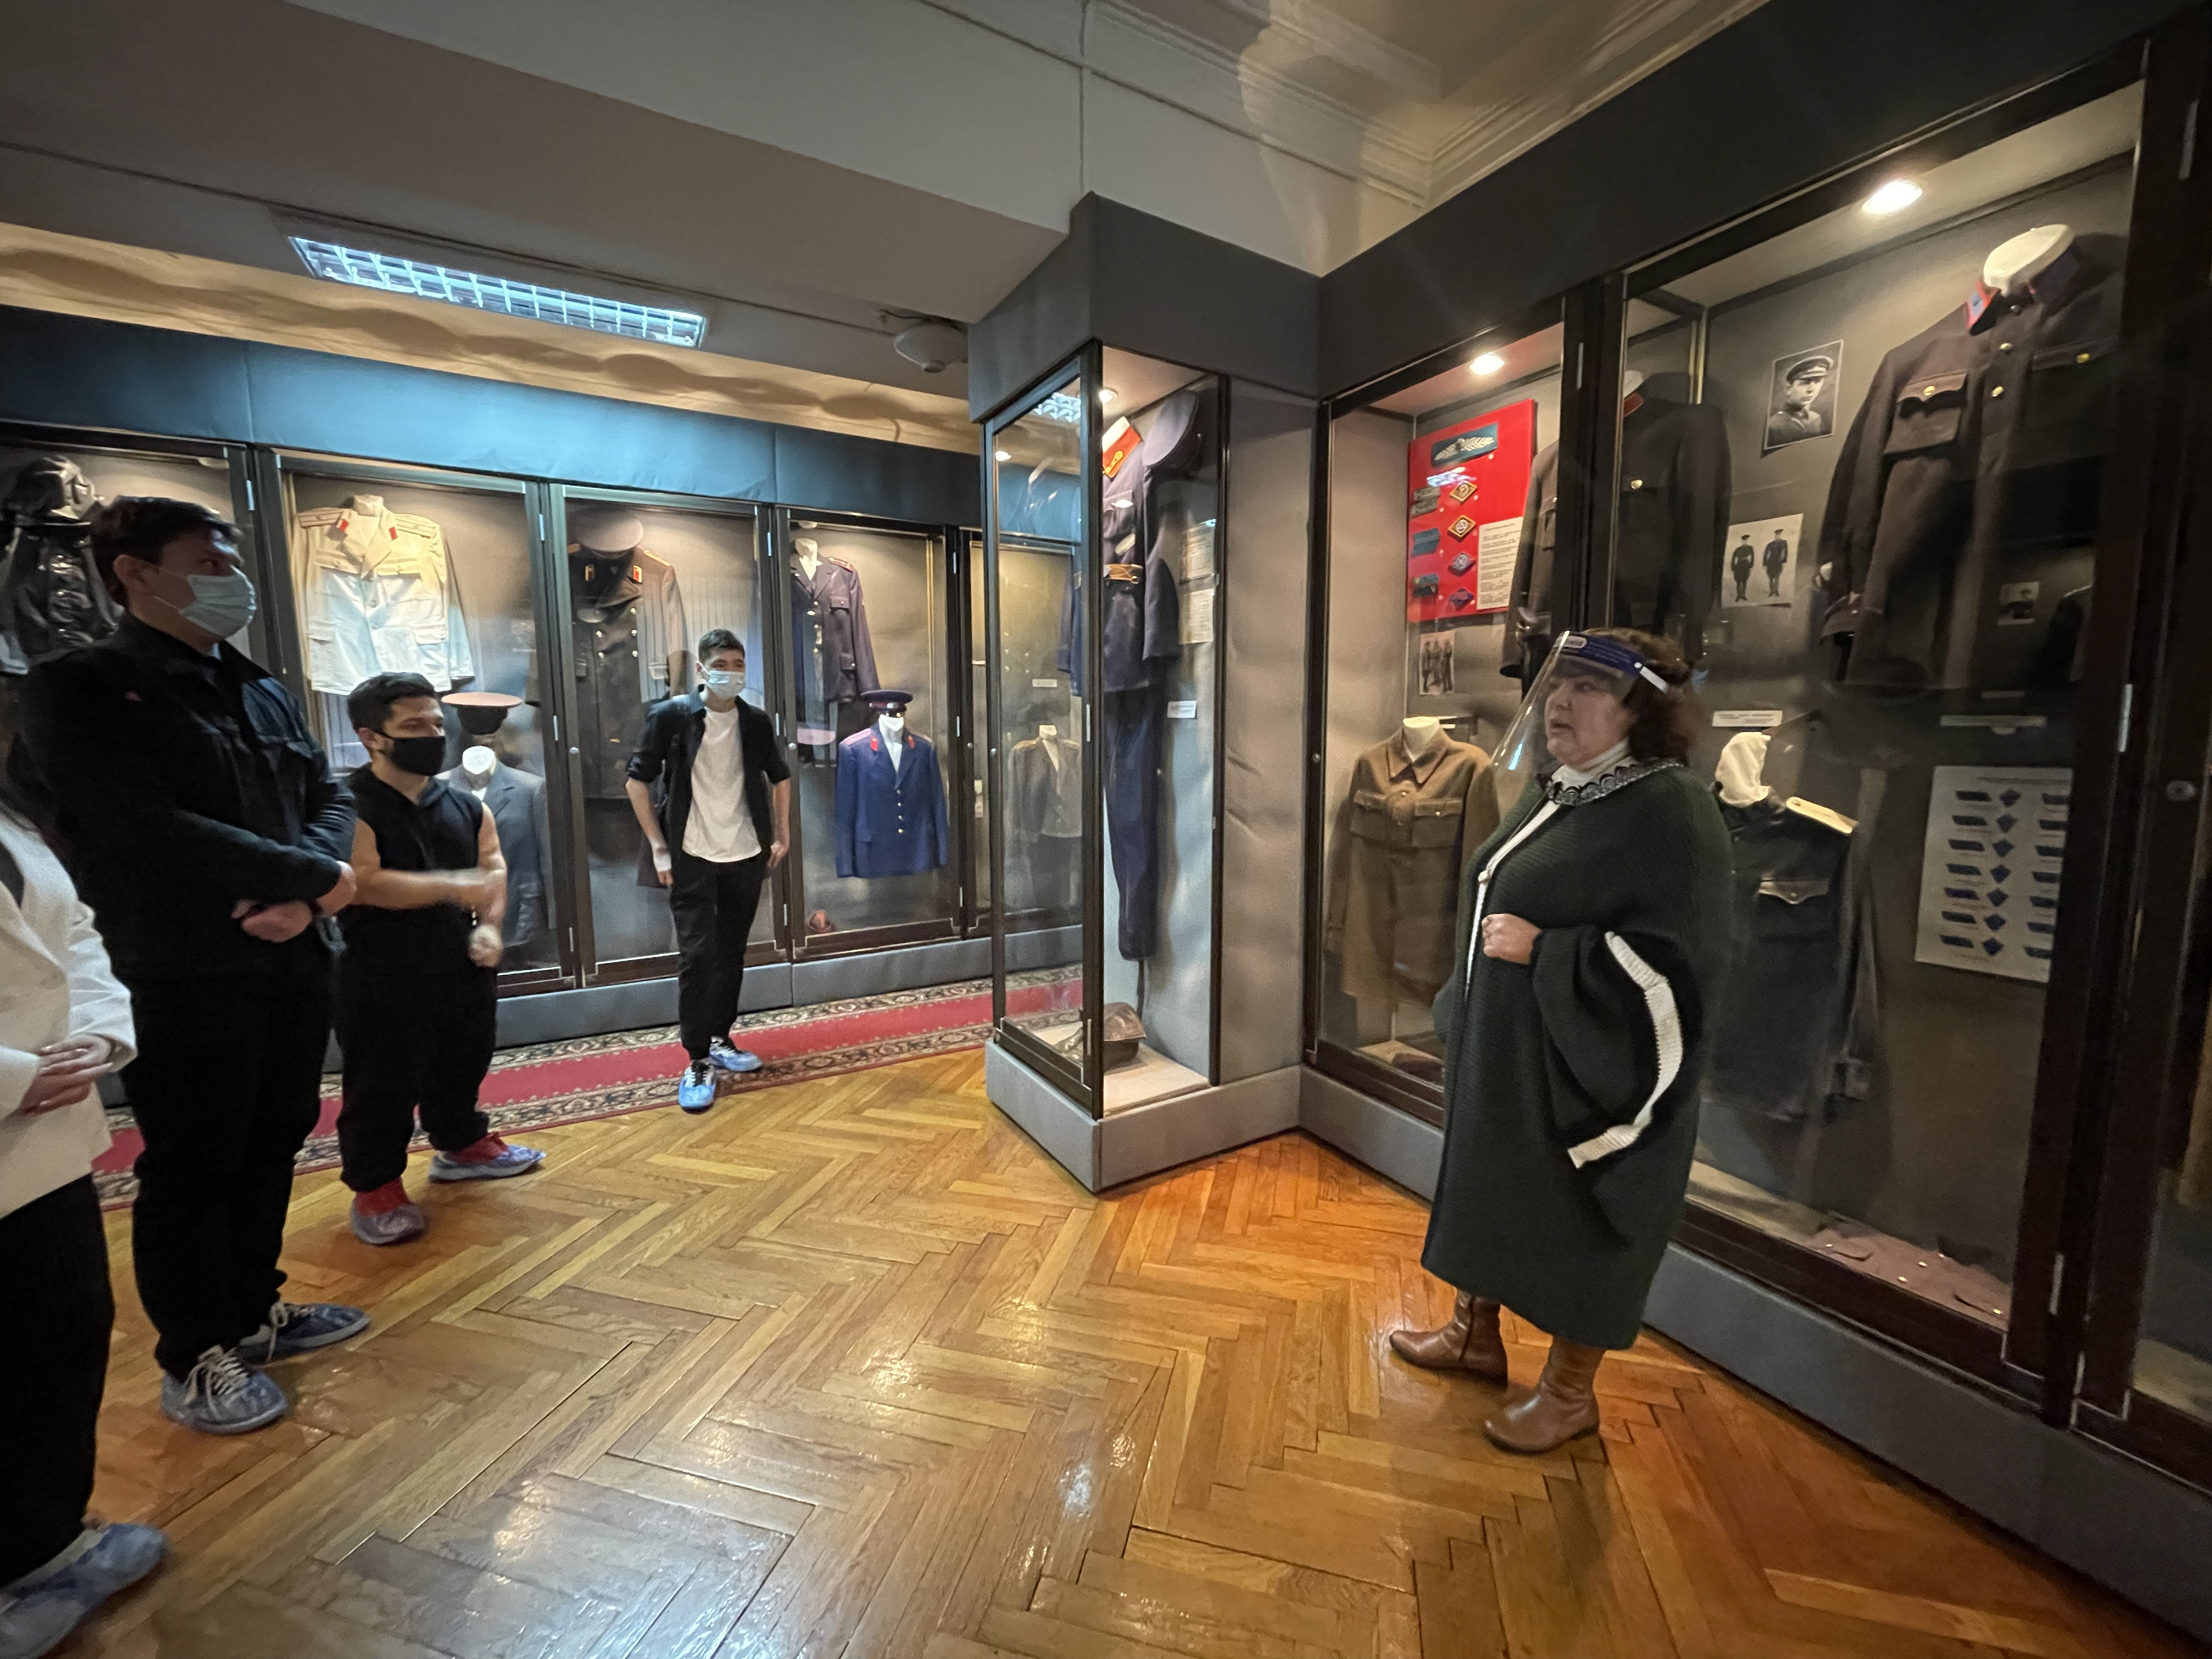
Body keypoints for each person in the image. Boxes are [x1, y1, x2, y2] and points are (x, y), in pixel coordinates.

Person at [18, 498, 367, 1437]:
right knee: (196, 1156)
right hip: (183, 967)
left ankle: (253, 1310)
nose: (232, 579)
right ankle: (195, 1349)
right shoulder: (81, 686)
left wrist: (310, 893)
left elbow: (328, 793)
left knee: (275, 1134)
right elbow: (137, 827)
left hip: (293, 954)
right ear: (135, 572)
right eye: (209, 562)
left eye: (230, 562)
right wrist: (308, 878)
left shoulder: (257, 684)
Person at [1391, 628, 1730, 1454]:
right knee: (1494, 1189)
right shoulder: (1562, 789)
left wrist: (1549, 953)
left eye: (1590, 689)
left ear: (1641, 710)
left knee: (1588, 1219)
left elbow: (1682, 970)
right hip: (1513, 1057)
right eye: (1558, 684)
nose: (1560, 703)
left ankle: (1570, 1394)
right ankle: (1473, 1336)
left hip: (1588, 1073)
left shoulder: (1671, 808)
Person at [0, 781, 167, 1658]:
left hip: (47, 1141)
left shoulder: (12, 813)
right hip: (17, 1101)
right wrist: (11, 1076)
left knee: (59, 1332)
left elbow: (73, 933)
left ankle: (44, 1545)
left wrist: (100, 1036)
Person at [337, 673, 543, 1246]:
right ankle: (375, 1185)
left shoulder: (462, 804)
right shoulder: (348, 804)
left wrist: (491, 927)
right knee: (382, 1081)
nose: (431, 735)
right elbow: (364, 882)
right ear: (372, 737)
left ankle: (461, 1145)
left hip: (458, 960)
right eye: (413, 726)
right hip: (380, 969)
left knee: (463, 1056)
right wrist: (452, 885)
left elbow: (494, 868)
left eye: (434, 723)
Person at [625, 629, 790, 1114]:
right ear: (701, 670)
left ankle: (721, 1037)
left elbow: (780, 776)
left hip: (744, 851)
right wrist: (659, 847)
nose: (731, 673)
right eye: (721, 665)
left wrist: (782, 835)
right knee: (697, 957)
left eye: (738, 665)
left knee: (732, 952)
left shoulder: (754, 721)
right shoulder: (672, 717)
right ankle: (697, 1058)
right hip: (691, 854)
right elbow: (637, 781)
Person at [1764, 353, 1833, 447]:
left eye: (1817, 382)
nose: (1811, 390)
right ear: (1789, 389)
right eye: (1805, 383)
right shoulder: (1775, 425)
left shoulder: (1817, 419)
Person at [1730, 538, 1754, 602]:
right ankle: (1739, 595)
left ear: (1747, 541)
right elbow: (1733, 558)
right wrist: (1733, 567)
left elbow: (1752, 557)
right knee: (1738, 581)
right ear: (1742, 541)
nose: (1745, 542)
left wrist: (1751, 565)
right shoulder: (1738, 549)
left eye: (1746, 540)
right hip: (1739, 566)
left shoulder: (1750, 548)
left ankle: (1743, 595)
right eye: (1744, 541)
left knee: (1744, 581)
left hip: (1746, 566)